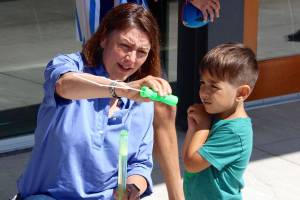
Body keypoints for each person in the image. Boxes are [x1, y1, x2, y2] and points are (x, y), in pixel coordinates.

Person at [17, 3, 174, 200]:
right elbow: (64, 86)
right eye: (124, 46)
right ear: (103, 38)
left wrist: (133, 187)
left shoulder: (142, 99)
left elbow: (140, 164)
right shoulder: (70, 65)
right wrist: (122, 90)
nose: (131, 59)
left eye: (141, 52)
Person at [75, 1, 220, 199]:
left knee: (161, 104)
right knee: (94, 97)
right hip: (102, 11)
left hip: (131, 12)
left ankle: (175, 196)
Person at [182, 43, 259, 200]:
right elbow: (187, 158)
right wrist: (193, 128)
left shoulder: (234, 132)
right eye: (203, 83)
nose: (204, 91)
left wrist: (202, 126)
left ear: (241, 93)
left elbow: (192, 164)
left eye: (214, 86)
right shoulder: (216, 115)